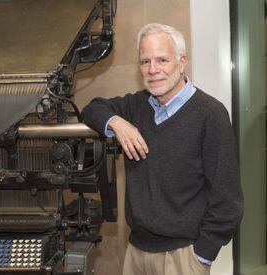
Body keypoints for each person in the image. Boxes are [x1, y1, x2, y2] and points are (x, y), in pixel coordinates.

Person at [81, 23, 243, 275]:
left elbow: (227, 198)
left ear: (181, 63)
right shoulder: (136, 106)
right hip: (136, 252)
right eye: (145, 61)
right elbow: (91, 109)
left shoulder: (211, 114)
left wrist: (203, 255)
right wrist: (117, 123)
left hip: (183, 257)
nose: (153, 70)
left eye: (162, 60)